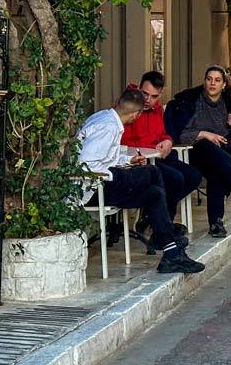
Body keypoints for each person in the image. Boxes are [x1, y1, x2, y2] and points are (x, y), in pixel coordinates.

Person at [78, 90, 205, 274]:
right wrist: (118, 175)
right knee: (152, 171)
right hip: (94, 188)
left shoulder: (105, 118)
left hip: (105, 183)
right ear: (136, 114)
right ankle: (164, 236)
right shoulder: (108, 126)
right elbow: (87, 165)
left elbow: (106, 158)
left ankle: (171, 253)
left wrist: (128, 161)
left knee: (154, 193)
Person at [165, 66, 231, 238]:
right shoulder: (191, 101)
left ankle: (216, 223)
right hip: (191, 151)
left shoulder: (229, 106)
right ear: (204, 81)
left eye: (217, 80)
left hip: (220, 156)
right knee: (207, 145)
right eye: (209, 79)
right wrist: (204, 134)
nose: (212, 83)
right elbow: (180, 134)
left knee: (217, 172)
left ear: (224, 84)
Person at [121, 71, 202, 230]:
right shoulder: (128, 105)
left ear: (160, 94)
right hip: (138, 160)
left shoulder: (157, 108)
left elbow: (162, 133)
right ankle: (164, 228)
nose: (148, 100)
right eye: (145, 94)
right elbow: (123, 142)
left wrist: (168, 141)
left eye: (154, 96)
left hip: (158, 155)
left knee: (194, 176)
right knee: (175, 178)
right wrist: (151, 149)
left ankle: (154, 216)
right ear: (139, 87)